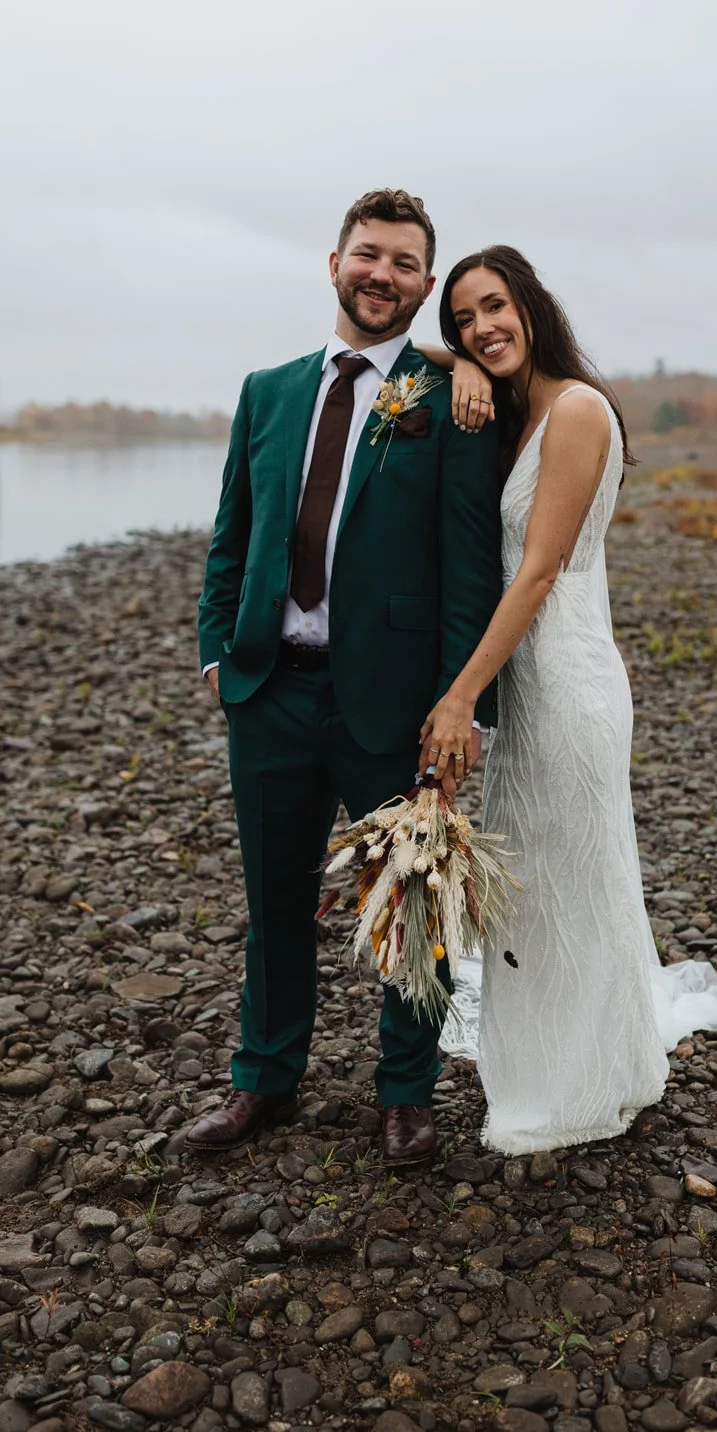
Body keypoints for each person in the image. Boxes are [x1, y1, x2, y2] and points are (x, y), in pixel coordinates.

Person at [422, 246, 717, 1155]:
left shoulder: (574, 410)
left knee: (573, 882)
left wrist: (459, 696)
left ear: (530, 305)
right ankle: (546, 1061)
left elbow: (535, 573)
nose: (481, 328)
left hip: (566, 682)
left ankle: (586, 1081)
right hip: (528, 690)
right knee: (532, 889)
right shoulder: (513, 404)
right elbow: (406, 358)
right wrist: (452, 362)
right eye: (462, 319)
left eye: (493, 307)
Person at [187, 190, 502, 1164]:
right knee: (274, 897)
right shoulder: (266, 391)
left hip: (396, 700)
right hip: (268, 692)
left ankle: (405, 1092)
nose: (383, 274)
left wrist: (464, 709)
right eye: (369, 255)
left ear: (422, 286)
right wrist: (215, 644)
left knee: (413, 900)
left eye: (406, 264)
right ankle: (263, 1079)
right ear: (334, 264)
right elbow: (231, 534)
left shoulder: (449, 397)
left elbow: (467, 569)